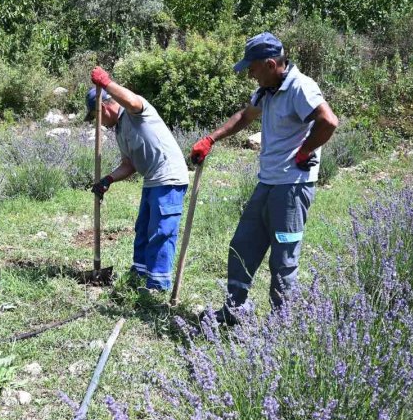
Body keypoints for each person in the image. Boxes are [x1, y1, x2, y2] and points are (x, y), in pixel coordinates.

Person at [190, 32, 339, 322]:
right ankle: (233, 310)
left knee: (283, 259)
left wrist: (305, 150)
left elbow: (328, 121)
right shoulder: (267, 90)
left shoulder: (300, 87)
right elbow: (246, 116)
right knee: (243, 245)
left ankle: (279, 325)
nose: (250, 74)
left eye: (253, 67)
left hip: (292, 189)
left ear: (271, 64)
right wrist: (212, 138)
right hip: (268, 182)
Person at [87, 66, 189, 291]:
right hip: (152, 180)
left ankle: (158, 284)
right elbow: (129, 165)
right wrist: (108, 180)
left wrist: (106, 83)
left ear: (104, 107)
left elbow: (132, 101)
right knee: (143, 229)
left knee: (161, 231)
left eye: (96, 117)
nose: (99, 123)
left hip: (169, 177)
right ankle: (139, 275)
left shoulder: (135, 111)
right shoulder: (119, 130)